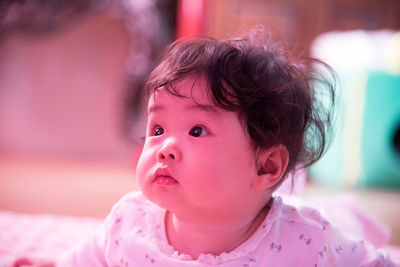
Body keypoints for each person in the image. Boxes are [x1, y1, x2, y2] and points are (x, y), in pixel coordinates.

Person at [55, 29, 398, 266]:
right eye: (157, 128)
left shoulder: (307, 242)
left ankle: (349, 214)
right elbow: (90, 258)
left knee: (340, 220)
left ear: (266, 166)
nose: (165, 148)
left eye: (197, 130)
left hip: (320, 221)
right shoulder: (129, 222)